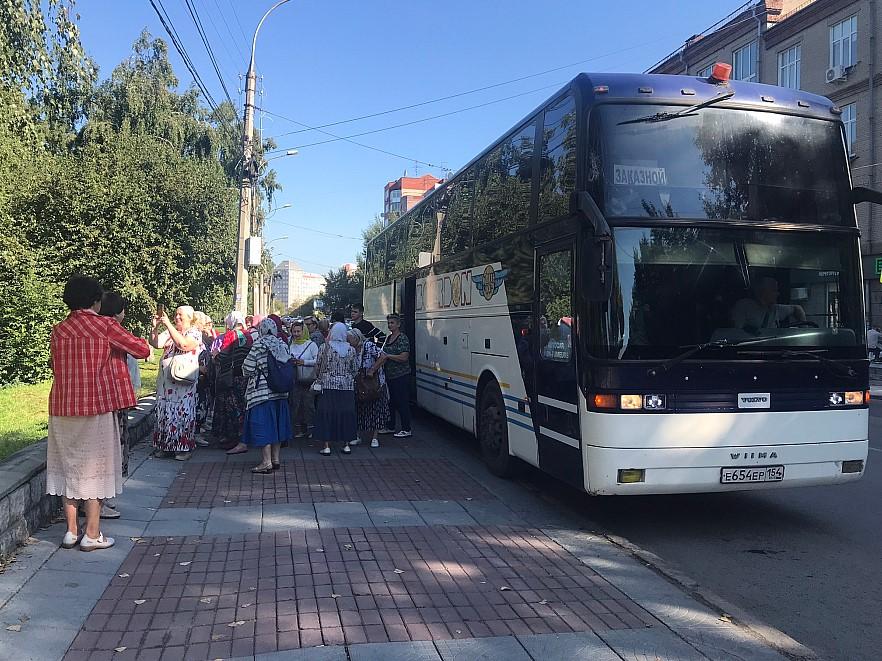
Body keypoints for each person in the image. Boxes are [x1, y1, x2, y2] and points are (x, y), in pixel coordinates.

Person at [47, 276, 150, 551]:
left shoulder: (58, 330)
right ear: (96, 300)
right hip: (96, 405)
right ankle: (92, 534)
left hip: (62, 406)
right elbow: (142, 350)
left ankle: (71, 531)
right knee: (97, 469)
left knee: (68, 466)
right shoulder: (105, 325)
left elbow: (53, 364)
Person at [97, 292, 147, 518]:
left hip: (95, 395)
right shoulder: (110, 326)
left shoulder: (91, 324)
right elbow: (142, 349)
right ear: (117, 311)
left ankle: (95, 501)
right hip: (112, 395)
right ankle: (102, 500)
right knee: (113, 447)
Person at [150, 305, 204, 460]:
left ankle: (183, 448)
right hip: (167, 385)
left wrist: (168, 325)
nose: (177, 317)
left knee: (182, 414)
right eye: (175, 314)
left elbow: (184, 345)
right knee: (165, 413)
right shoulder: (170, 331)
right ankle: (165, 446)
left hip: (183, 386)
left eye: (181, 315)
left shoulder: (194, 333)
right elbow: (156, 344)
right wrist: (155, 328)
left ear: (190, 317)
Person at [241, 318, 292, 473]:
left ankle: (266, 462)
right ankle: (276, 459)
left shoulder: (259, 344)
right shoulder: (282, 344)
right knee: (278, 426)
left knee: (264, 426)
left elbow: (248, 368)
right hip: (281, 392)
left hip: (262, 392)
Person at [313, 322, 358, 455]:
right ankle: (346, 444)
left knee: (326, 413)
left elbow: (318, 366)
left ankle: (326, 446)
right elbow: (355, 369)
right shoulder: (351, 350)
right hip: (346, 386)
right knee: (346, 414)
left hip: (327, 385)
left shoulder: (324, 347)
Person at [212, 311, 253, 453]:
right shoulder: (248, 336)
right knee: (242, 406)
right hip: (245, 376)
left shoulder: (231, 335)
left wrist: (215, 356)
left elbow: (223, 356)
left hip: (231, 377)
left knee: (232, 407)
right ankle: (244, 437)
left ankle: (234, 439)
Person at [348, 328, 389, 449]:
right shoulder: (351, 350)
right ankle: (356, 435)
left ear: (356, 338)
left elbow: (383, 356)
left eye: (349, 339)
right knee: (358, 409)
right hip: (359, 383)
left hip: (373, 383)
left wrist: (372, 369)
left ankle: (374, 437)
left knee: (375, 409)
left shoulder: (369, 345)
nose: (348, 342)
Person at [374, 313, 412, 438]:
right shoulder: (388, 338)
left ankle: (406, 428)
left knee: (402, 402)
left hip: (401, 375)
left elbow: (404, 357)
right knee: (391, 402)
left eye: (392, 323)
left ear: (398, 324)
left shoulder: (402, 338)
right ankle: (390, 426)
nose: (390, 325)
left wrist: (389, 356)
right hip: (389, 375)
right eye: (389, 323)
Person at [731, 276, 806, 333]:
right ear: (763, 291)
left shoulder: (776, 308)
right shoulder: (743, 306)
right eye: (774, 290)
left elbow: (797, 308)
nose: (778, 294)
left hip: (773, 348)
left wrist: (804, 329)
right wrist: (761, 335)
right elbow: (739, 331)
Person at [288, 319, 319, 439]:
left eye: (298, 331)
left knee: (309, 405)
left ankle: (311, 429)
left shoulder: (311, 345)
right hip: (294, 379)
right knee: (295, 405)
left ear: (303, 331)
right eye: (294, 331)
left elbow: (317, 360)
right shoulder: (291, 344)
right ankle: (298, 429)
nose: (296, 334)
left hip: (308, 379)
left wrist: (304, 362)